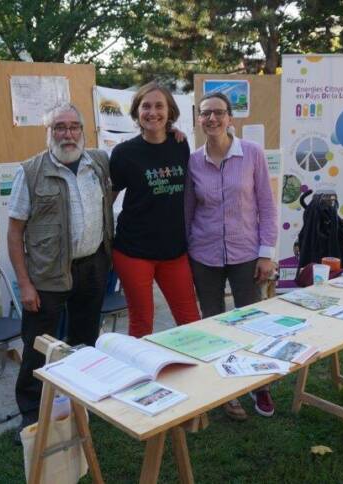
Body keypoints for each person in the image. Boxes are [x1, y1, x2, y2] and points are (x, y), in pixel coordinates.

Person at [8, 103, 114, 441]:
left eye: (73, 127)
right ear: (48, 132)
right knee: (39, 345)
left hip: (93, 267)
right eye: (59, 127)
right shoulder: (30, 171)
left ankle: (77, 403)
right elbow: (14, 233)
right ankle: (30, 414)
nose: (67, 134)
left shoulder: (98, 163)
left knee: (85, 340)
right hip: (47, 275)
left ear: (83, 131)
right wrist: (25, 283)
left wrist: (172, 133)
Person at [185, 92, 278, 420]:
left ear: (230, 118)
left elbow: (266, 205)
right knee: (213, 323)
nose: (212, 119)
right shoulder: (193, 161)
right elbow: (189, 210)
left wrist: (266, 254)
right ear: (198, 119)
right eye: (205, 113)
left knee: (250, 320)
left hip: (245, 254)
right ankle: (224, 389)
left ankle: (258, 384)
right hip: (204, 254)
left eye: (218, 113)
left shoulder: (252, 154)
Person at [110, 81, 201, 338]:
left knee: (191, 320)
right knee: (141, 324)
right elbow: (109, 198)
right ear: (137, 112)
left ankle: (195, 376)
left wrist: (174, 132)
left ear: (169, 111)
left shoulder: (180, 144)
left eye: (159, 106)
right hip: (134, 251)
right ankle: (140, 377)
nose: (153, 112)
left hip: (174, 251)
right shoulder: (124, 153)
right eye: (146, 106)